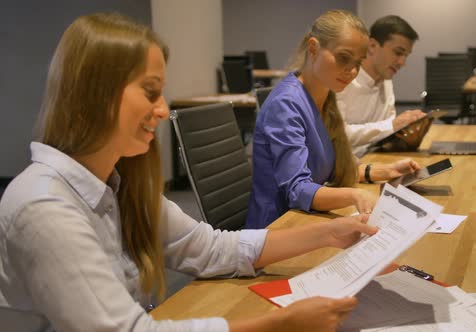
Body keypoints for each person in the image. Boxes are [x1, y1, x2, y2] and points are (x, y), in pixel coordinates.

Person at [0, 13, 380, 332]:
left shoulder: (117, 185)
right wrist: (278, 325)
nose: (164, 110)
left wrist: (330, 232)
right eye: (151, 93)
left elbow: (213, 249)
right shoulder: (45, 207)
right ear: (96, 94)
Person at [246, 10, 421, 229]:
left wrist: (388, 171)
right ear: (313, 48)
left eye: (358, 62)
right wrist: (354, 195)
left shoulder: (325, 95)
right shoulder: (286, 104)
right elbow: (298, 190)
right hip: (276, 229)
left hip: (305, 219)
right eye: (343, 58)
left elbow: (332, 168)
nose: (352, 71)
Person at [337, 15, 426, 157]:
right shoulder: (342, 80)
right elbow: (338, 135)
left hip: (375, 159)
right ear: (372, 46)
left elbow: (386, 134)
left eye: (406, 56)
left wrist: (408, 137)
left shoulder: (386, 80)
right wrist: (392, 126)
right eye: (398, 53)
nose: (402, 62)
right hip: (345, 169)